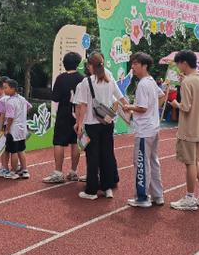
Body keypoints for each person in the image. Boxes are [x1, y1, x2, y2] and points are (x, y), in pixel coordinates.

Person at [73, 52, 128, 200]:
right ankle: (107, 187)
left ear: (90, 65)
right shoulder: (109, 78)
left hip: (92, 124)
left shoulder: (87, 82)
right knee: (107, 155)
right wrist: (128, 108)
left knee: (93, 156)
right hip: (107, 122)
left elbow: (83, 106)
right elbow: (120, 96)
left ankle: (91, 190)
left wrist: (79, 124)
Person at [168, 50, 199, 211]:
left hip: (188, 129)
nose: (177, 67)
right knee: (195, 161)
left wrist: (175, 104)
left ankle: (189, 197)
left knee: (189, 163)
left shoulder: (187, 82)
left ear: (184, 63)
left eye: (178, 64)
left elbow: (186, 107)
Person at [123, 52, 165, 207]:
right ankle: (158, 195)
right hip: (153, 128)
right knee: (153, 162)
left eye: (135, 64)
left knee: (141, 163)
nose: (132, 67)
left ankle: (142, 197)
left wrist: (128, 107)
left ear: (144, 65)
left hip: (144, 131)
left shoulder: (143, 84)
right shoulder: (151, 81)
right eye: (132, 63)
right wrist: (154, 112)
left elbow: (141, 107)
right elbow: (161, 96)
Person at [44, 52, 85, 184]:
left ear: (64, 63)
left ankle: (58, 172)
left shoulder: (61, 78)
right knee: (75, 142)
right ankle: (73, 171)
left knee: (59, 142)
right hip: (78, 114)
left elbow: (55, 98)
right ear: (78, 64)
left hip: (63, 113)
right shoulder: (82, 79)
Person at [1, 79, 31, 179]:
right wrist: (21, 115)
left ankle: (13, 172)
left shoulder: (10, 102)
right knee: (21, 150)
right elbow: (29, 107)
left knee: (13, 151)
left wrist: (7, 129)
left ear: (13, 88)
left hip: (13, 130)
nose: (4, 90)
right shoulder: (22, 99)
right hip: (22, 129)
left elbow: (10, 118)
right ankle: (25, 169)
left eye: (6, 88)